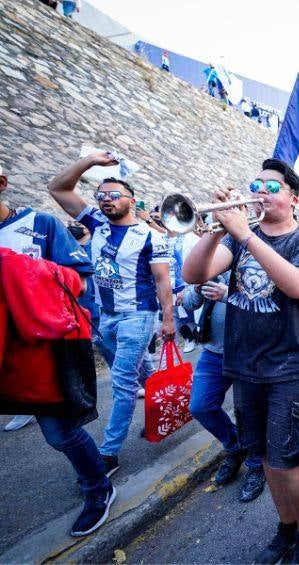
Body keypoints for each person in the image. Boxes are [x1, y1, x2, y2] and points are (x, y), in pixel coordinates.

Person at [182, 158, 299, 564]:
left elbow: (298, 287)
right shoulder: (235, 239)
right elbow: (194, 273)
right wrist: (216, 232)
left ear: (293, 199)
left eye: (271, 185)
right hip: (245, 362)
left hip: (292, 363)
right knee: (263, 455)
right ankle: (284, 528)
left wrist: (245, 235)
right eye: (255, 183)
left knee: (287, 458)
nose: (260, 190)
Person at [0, 165, 115, 536]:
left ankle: (98, 487)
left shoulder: (41, 224)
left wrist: (16, 270)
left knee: (60, 434)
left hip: (44, 352)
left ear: (2, 182)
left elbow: (79, 281)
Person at [48, 152, 175, 476]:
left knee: (122, 382)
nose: (106, 200)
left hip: (137, 316)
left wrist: (168, 320)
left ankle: (108, 453)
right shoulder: (94, 223)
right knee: (144, 372)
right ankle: (173, 408)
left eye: (114, 195)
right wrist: (89, 162)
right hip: (104, 317)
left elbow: (162, 280)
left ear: (131, 201)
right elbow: (58, 189)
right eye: (101, 195)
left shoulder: (151, 236)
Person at [182, 272, 266, 502]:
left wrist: (227, 293)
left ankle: (257, 464)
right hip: (213, 350)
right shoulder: (212, 259)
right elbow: (189, 303)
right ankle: (235, 447)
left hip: (249, 352)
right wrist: (198, 288)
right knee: (200, 406)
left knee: (249, 413)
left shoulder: (256, 253)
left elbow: (270, 304)